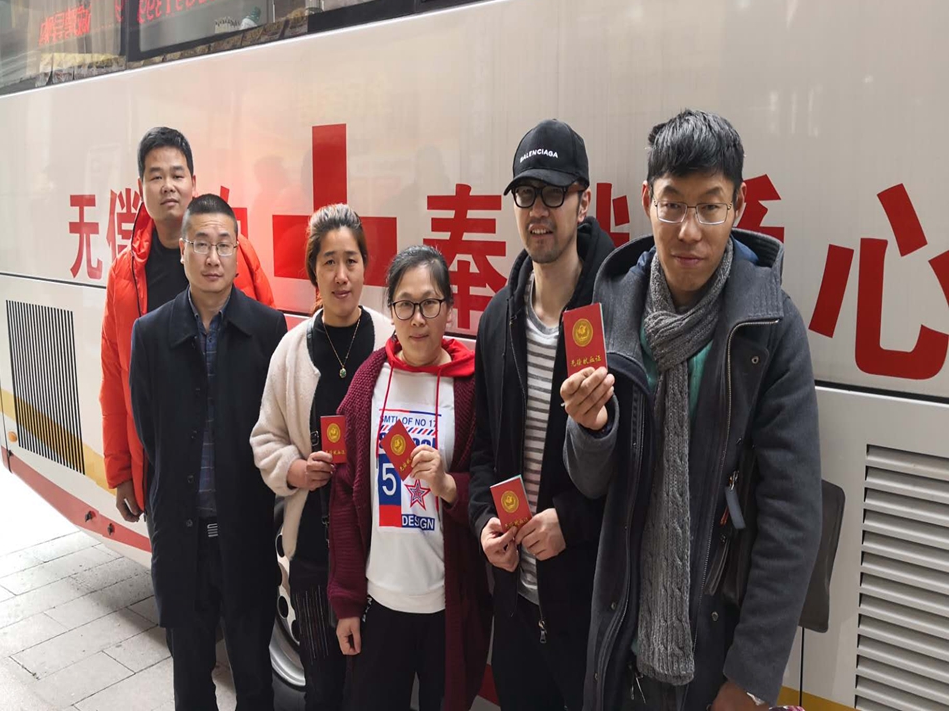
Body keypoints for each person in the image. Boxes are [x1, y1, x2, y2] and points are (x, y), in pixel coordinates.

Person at [562, 110, 822, 711]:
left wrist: (750, 677)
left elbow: (793, 513)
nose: (689, 231)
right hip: (620, 641)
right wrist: (590, 430)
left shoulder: (769, 328)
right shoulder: (610, 307)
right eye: (673, 205)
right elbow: (590, 483)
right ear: (647, 200)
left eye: (710, 207)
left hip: (714, 652)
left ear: (738, 206)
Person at [468, 118, 614, 711]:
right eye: (526, 194)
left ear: (584, 202)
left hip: (590, 611)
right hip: (516, 610)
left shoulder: (617, 312)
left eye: (554, 193)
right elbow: (483, 451)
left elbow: (644, 467)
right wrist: (484, 521)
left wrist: (571, 524)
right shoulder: (497, 319)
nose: (538, 211)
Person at [129, 194, 287, 710]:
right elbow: (151, 433)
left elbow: (274, 429)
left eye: (223, 245)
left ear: (238, 252)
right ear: (182, 250)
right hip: (182, 538)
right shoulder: (151, 334)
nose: (213, 257)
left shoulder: (267, 329)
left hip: (245, 534)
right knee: (191, 682)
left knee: (255, 679)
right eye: (201, 244)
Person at [328, 246, 492, 711]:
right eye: (405, 304)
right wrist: (346, 602)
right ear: (391, 310)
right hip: (380, 604)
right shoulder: (369, 382)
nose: (418, 319)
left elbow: (489, 479)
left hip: (446, 607)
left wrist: (449, 486)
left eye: (430, 303)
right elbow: (343, 494)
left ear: (449, 309)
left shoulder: (470, 386)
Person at [250, 205, 393, 711]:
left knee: (374, 686)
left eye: (351, 260)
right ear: (314, 271)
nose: (341, 275)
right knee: (322, 684)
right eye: (329, 262)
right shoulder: (290, 351)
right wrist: (294, 470)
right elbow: (265, 437)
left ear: (365, 266)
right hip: (312, 551)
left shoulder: (391, 341)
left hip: (380, 554)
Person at [103, 127, 274, 525]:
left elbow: (272, 355)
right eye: (156, 176)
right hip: (167, 472)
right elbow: (115, 377)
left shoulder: (235, 253)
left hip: (239, 465)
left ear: (193, 183)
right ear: (141, 187)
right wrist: (122, 471)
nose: (168, 186)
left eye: (177, 175)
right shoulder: (125, 275)